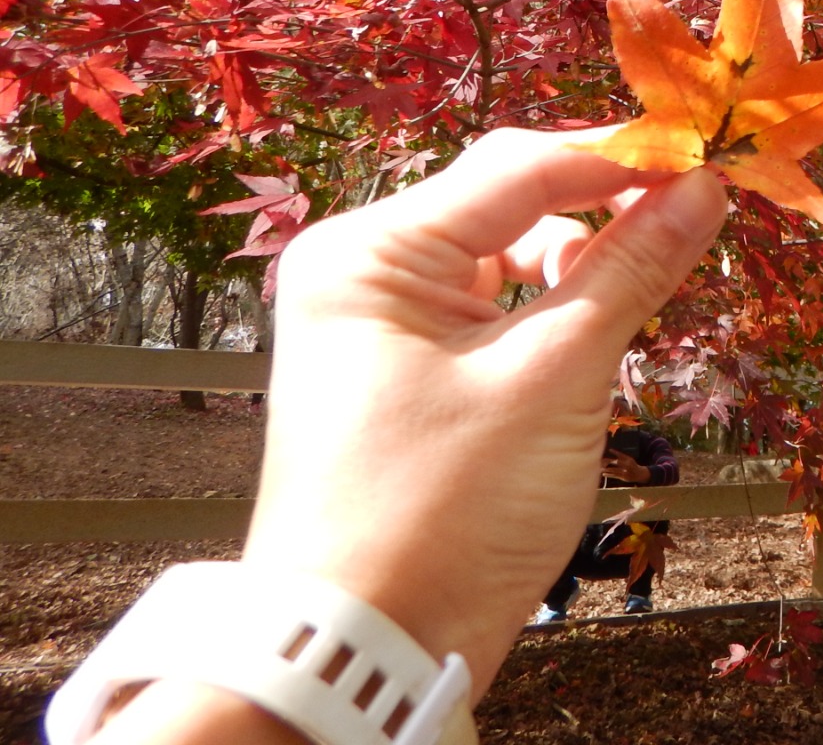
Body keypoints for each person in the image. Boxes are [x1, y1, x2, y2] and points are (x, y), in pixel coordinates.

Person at [46, 128, 729, 745]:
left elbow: (664, 469)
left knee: (627, 547)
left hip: (618, 540)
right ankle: (564, 601)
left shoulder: (642, 438)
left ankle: (627, 594)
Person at [536, 396, 680, 621]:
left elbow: (671, 470)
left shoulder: (651, 443)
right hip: (581, 548)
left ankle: (639, 593)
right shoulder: (576, 445)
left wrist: (643, 474)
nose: (612, 427)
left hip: (631, 547)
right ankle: (558, 598)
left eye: (621, 420)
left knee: (656, 508)